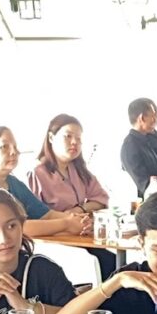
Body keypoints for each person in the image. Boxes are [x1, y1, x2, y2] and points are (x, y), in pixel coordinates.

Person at [0, 126, 89, 262]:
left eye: (15, 147)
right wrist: (66, 224)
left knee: (90, 254)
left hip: (6, 251)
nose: (13, 152)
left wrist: (79, 220)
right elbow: (16, 228)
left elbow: (46, 214)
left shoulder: (12, 182)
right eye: (4, 147)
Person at [25, 113, 114, 280]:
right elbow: (34, 217)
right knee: (104, 263)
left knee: (113, 261)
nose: (74, 142)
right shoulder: (37, 173)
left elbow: (102, 199)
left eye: (79, 139)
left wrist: (79, 209)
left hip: (80, 234)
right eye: (68, 136)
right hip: (55, 241)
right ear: (51, 138)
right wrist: (66, 219)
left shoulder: (78, 169)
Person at [120, 97, 157, 197]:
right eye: (154, 115)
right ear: (142, 118)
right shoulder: (129, 147)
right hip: (156, 200)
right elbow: (145, 184)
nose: (156, 119)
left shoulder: (151, 136)